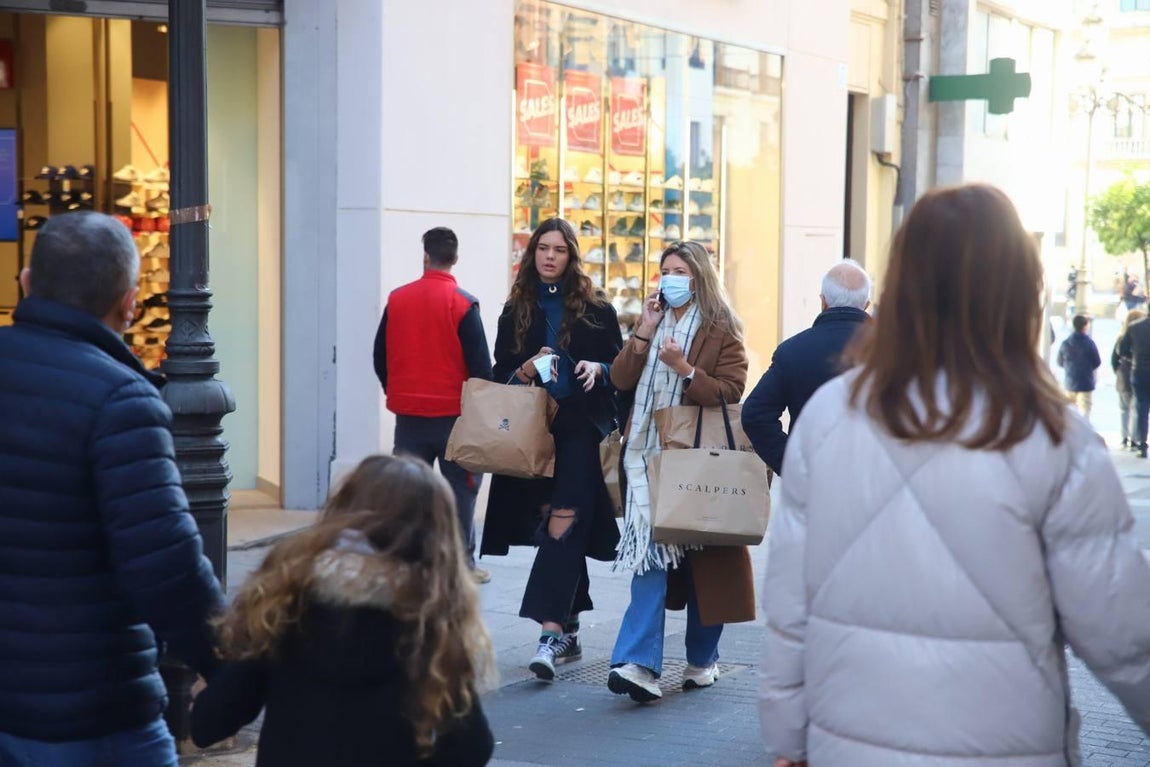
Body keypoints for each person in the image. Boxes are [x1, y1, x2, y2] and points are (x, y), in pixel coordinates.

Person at [759, 184, 1150, 767]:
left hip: (850, 743)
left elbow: (789, 609)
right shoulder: (1052, 437)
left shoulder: (826, 421)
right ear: (1020, 291)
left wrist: (788, 740)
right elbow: (1127, 639)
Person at [0, 212, 225, 766]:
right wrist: (233, 665)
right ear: (129, 304)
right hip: (88, 711)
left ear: (27, 282)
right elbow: (166, 565)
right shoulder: (122, 401)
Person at [190, 455, 495, 767]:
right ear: (437, 536)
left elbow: (208, 724)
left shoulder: (288, 604)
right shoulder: (428, 623)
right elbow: (472, 746)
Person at [607, 240, 752, 703]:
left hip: (695, 455)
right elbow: (620, 379)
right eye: (665, 269)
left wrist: (685, 370)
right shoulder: (651, 320)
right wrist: (644, 333)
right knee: (649, 557)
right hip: (648, 454)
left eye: (679, 271)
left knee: (704, 562)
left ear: (699, 277)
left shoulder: (721, 327)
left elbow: (732, 389)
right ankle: (638, 664)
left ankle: (702, 659)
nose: (670, 278)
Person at [479, 217, 622, 681]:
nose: (549, 257)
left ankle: (550, 633)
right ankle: (573, 623)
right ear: (532, 253)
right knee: (555, 523)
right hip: (532, 433)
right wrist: (524, 370)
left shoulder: (597, 309)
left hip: (580, 429)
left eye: (559, 250)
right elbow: (499, 372)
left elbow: (621, 367)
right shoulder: (515, 308)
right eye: (543, 248)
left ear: (571, 255)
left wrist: (598, 369)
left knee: (565, 522)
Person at [373, 227, 494, 584]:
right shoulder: (463, 304)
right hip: (454, 418)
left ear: (424, 256)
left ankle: (406, 563)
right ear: (455, 258)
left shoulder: (397, 300)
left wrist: (393, 389)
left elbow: (380, 355)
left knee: (408, 492)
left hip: (409, 417)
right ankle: (461, 567)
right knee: (461, 492)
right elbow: (481, 369)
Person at [741, 259, 871, 475]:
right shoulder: (894, 352)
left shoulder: (793, 351)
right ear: (866, 304)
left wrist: (792, 466)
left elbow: (755, 414)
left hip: (812, 482)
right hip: (875, 484)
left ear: (823, 302)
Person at [1056, 314, 1101, 420]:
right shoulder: (1090, 343)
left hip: (1070, 382)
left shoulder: (1066, 343)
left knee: (1070, 410)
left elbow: (1059, 362)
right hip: (1086, 382)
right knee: (1085, 410)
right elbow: (1097, 362)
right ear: (1085, 326)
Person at [1113, 308, 1145, 449]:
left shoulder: (1121, 338)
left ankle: (1124, 438)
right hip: (1138, 374)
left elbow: (1114, 359)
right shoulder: (1141, 338)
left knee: (1124, 409)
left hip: (1123, 376)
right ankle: (1135, 439)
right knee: (1136, 408)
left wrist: (1119, 372)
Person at [1120, 310, 1150, 458]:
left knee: (1141, 408)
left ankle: (1141, 445)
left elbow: (1122, 350)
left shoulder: (1134, 327)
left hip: (1140, 371)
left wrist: (1134, 357)